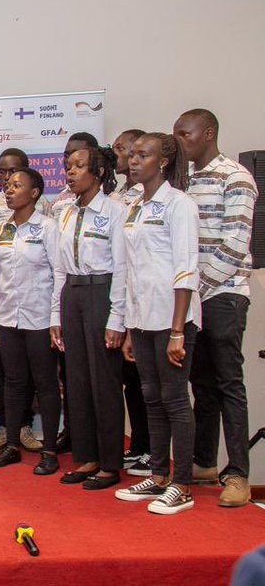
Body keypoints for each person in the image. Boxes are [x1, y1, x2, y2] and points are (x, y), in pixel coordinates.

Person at [174, 108, 257, 507]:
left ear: (208, 133)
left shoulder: (235, 176)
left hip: (224, 293)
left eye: (184, 134)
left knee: (228, 384)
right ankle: (204, 462)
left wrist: (194, 288)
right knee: (200, 384)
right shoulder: (183, 180)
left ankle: (238, 473)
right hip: (192, 299)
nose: (179, 141)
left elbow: (235, 243)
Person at [114, 132, 200, 514]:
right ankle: (160, 473)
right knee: (151, 397)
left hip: (172, 319)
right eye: (131, 155)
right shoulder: (134, 206)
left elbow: (186, 269)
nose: (133, 161)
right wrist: (131, 326)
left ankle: (182, 483)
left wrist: (178, 330)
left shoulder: (178, 205)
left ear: (163, 162)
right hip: (143, 320)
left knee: (175, 400)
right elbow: (131, 269)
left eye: (142, 155)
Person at [54, 145, 127, 491]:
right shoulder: (64, 212)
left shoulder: (115, 211)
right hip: (73, 292)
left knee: (104, 381)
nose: (70, 172)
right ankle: (87, 456)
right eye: (68, 167)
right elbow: (58, 268)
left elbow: (124, 267)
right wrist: (56, 313)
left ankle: (111, 463)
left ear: (97, 172)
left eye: (78, 166)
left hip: (102, 292)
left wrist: (117, 318)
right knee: (77, 380)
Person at [0, 168, 62, 475]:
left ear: (34, 193)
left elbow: (60, 274)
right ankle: (12, 445)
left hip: (40, 317)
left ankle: (50, 450)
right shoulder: (4, 229)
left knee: (44, 384)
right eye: (7, 185)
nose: (9, 189)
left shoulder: (47, 228)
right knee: (14, 383)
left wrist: (56, 318)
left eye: (17, 185)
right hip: (7, 318)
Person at [0, 148, 41, 454]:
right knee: (5, 370)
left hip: (34, 302)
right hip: (3, 298)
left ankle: (26, 426)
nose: (6, 180)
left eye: (12, 172)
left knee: (31, 371)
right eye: (2, 173)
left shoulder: (47, 211)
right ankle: (6, 426)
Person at [110, 129, 151, 475]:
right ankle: (139, 445)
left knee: (148, 384)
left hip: (154, 306)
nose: (125, 157)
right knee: (133, 383)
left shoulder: (154, 197)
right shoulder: (124, 195)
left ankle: (152, 450)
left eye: (128, 150)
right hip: (129, 303)